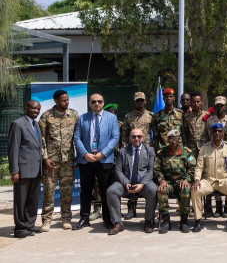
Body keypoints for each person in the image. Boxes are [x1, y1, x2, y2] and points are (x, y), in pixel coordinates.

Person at [73, 93, 120, 230]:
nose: (96, 104)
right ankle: (84, 218)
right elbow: (77, 138)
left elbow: (114, 137)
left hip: (104, 159)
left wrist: (102, 153)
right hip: (86, 159)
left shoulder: (111, 118)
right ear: (90, 104)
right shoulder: (82, 118)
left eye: (99, 101)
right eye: (94, 102)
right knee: (86, 190)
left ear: (103, 103)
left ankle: (107, 218)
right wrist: (85, 154)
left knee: (105, 190)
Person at [38, 90, 78, 231]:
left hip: (68, 160)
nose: (66, 102)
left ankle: (66, 219)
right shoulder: (46, 116)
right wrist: (45, 158)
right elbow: (41, 139)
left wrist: (78, 157)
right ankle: (46, 220)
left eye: (67, 100)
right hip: (51, 162)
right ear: (56, 100)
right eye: (63, 100)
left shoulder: (74, 115)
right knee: (49, 191)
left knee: (66, 191)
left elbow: (77, 137)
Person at [106, 129, 157, 235]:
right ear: (129, 138)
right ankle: (118, 223)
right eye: (133, 136)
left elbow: (151, 171)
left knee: (153, 190)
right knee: (111, 191)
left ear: (143, 137)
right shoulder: (123, 151)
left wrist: (142, 184)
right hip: (126, 183)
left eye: (139, 136)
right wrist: (126, 183)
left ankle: (148, 221)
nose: (136, 139)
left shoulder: (150, 151)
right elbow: (118, 170)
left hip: (143, 183)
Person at [191, 123, 227, 233]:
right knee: (195, 189)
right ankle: (198, 220)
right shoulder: (204, 148)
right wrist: (197, 179)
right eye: (214, 131)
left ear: (223, 133)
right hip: (209, 180)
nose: (217, 133)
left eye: (219, 131)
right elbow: (199, 167)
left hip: (224, 181)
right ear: (211, 133)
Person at [8, 100, 44, 238]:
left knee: (33, 199)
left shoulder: (36, 124)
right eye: (33, 108)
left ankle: (30, 224)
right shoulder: (18, 124)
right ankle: (20, 228)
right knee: (20, 200)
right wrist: (14, 170)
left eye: (38, 109)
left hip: (36, 169)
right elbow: (13, 149)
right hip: (22, 170)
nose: (36, 111)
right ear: (26, 108)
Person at [154, 129, 196, 234]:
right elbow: (156, 169)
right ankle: (166, 221)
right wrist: (162, 180)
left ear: (179, 139)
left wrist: (187, 179)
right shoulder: (162, 153)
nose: (174, 142)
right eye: (171, 139)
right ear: (168, 140)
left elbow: (193, 167)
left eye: (176, 139)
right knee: (161, 190)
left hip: (182, 181)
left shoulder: (187, 152)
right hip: (167, 182)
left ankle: (184, 221)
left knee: (186, 190)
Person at [121, 92, 154, 220]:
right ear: (135, 102)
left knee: (146, 177)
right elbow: (124, 133)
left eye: (141, 100)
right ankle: (131, 208)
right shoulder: (129, 116)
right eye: (137, 101)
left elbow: (155, 133)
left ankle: (148, 209)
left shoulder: (151, 116)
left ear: (145, 101)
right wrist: (124, 148)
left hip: (146, 150)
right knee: (132, 176)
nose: (139, 103)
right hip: (132, 150)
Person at [205, 95, 227, 217]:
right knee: (214, 175)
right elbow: (207, 135)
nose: (219, 108)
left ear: (225, 107)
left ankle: (226, 207)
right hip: (213, 151)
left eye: (221, 106)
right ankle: (219, 207)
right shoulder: (210, 120)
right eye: (217, 106)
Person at [183, 92, 210, 157]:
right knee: (191, 166)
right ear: (190, 102)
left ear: (201, 102)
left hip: (205, 148)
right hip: (191, 149)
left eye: (198, 102)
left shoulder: (207, 115)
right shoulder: (186, 117)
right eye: (194, 102)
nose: (196, 104)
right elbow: (185, 133)